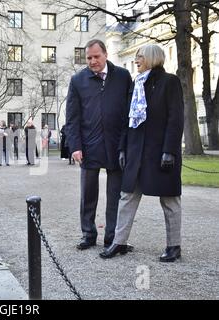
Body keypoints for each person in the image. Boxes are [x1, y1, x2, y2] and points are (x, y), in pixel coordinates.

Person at [100, 44, 184, 262]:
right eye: (136, 56)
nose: (136, 60)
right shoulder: (137, 83)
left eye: (140, 57)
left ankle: (174, 246)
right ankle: (119, 242)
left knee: (170, 200)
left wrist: (170, 151)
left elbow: (176, 119)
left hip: (161, 153)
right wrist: (122, 148)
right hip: (136, 153)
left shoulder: (170, 82)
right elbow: (129, 121)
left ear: (152, 58)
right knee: (127, 197)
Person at [65, 39, 132, 250]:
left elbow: (129, 112)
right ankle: (88, 234)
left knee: (115, 195)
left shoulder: (122, 76)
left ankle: (112, 237)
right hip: (88, 146)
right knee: (88, 194)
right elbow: (72, 118)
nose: (93, 61)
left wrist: (127, 143)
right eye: (89, 58)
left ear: (105, 54)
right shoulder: (78, 80)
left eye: (96, 56)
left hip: (116, 145)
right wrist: (75, 146)